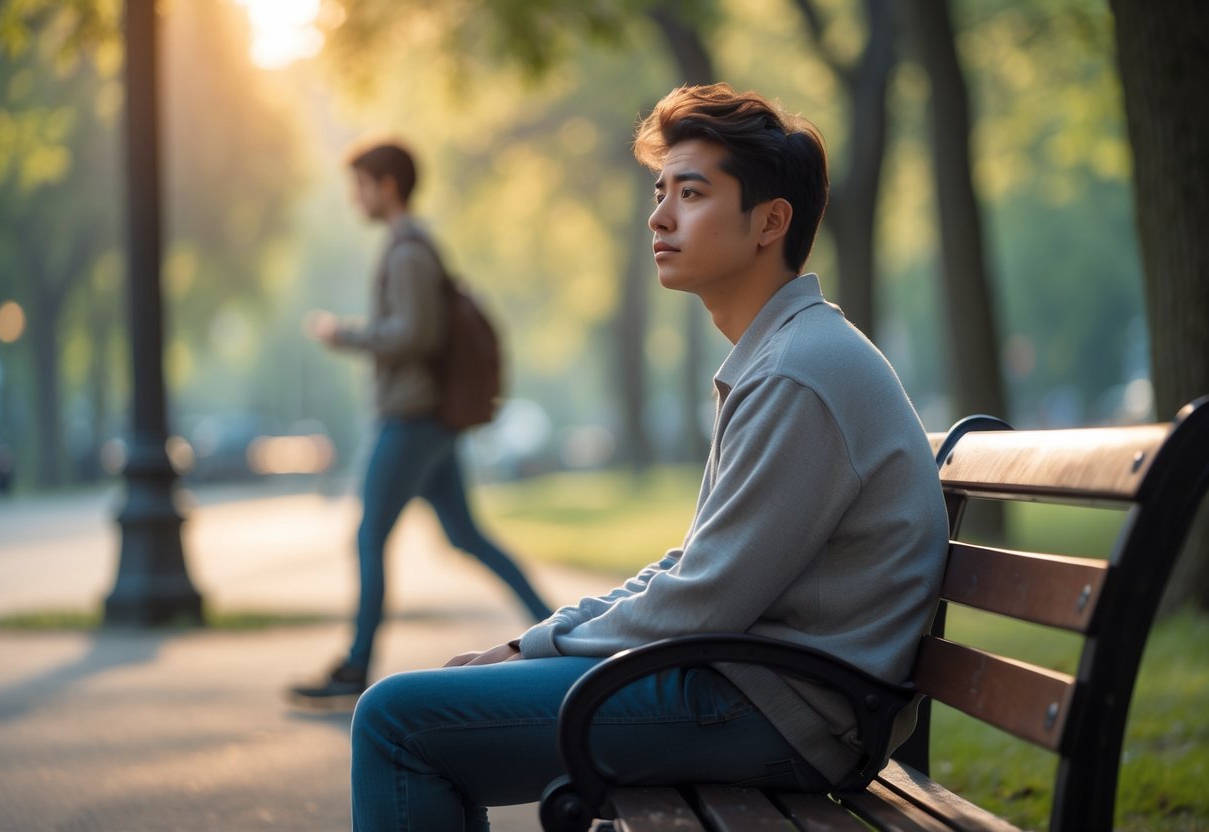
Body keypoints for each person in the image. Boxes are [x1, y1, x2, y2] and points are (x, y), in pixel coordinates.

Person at [349, 84, 950, 830]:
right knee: (428, 708)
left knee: (393, 722)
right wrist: (539, 639)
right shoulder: (785, 355)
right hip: (762, 689)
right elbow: (695, 568)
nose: (658, 216)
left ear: (769, 221)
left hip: (771, 712)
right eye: (659, 191)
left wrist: (537, 644)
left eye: (690, 194)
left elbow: (702, 599)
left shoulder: (797, 371)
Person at [290, 140, 553, 707]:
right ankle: (557, 629)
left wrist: (346, 334)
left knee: (368, 535)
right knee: (466, 535)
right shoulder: (409, 245)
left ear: (388, 185)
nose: (355, 196)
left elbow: (416, 334)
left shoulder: (408, 248)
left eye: (361, 183)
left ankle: (356, 666)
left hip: (411, 420)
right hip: (427, 418)